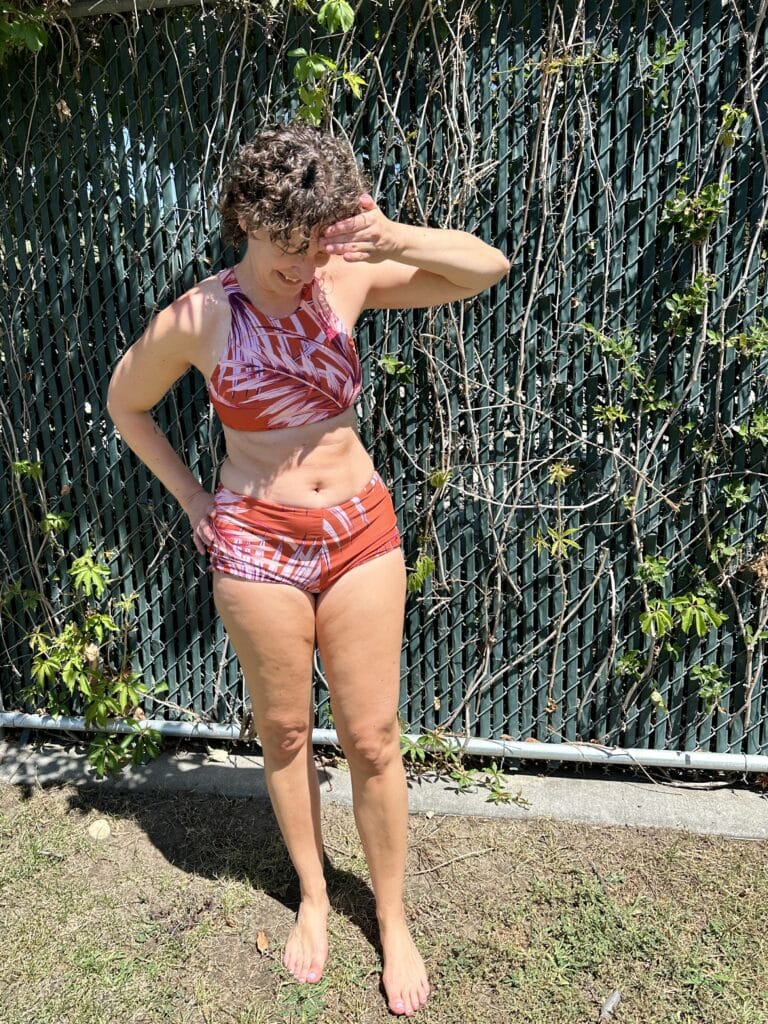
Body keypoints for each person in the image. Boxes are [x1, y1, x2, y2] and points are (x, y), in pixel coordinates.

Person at [107, 122, 509, 1018]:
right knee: (285, 734)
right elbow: (125, 404)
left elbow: (486, 269)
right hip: (254, 547)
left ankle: (392, 918)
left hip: (359, 531)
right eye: (286, 248)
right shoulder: (199, 317)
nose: (301, 269)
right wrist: (195, 502)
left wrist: (391, 237)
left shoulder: (343, 276)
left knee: (372, 739)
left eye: (314, 245)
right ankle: (318, 897)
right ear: (244, 220)